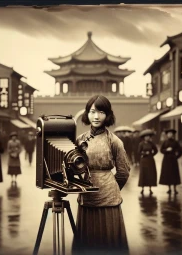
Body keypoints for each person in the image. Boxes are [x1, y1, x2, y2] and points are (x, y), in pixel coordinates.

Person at [72, 95, 130, 255]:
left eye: (101, 112)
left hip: (108, 199)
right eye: (92, 111)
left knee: (108, 240)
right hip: (86, 196)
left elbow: (124, 171)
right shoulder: (80, 140)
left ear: (108, 115)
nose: (96, 116)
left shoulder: (114, 141)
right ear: (87, 114)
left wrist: (110, 189)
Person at [159, 128, 182, 194]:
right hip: (166, 160)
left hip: (173, 160)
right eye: (168, 133)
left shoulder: (175, 142)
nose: (170, 135)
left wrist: (176, 157)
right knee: (168, 174)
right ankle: (169, 188)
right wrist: (166, 150)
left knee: (174, 174)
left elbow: (180, 151)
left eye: (171, 133)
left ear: (173, 135)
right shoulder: (165, 142)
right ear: (167, 135)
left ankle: (175, 189)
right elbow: (161, 150)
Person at [138, 129, 158, 195]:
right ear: (144, 137)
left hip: (150, 161)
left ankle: (150, 188)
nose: (147, 138)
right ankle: (142, 188)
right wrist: (144, 153)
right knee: (144, 174)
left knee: (150, 174)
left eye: (148, 136)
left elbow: (156, 150)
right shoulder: (141, 144)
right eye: (146, 136)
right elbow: (139, 152)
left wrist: (151, 154)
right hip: (143, 161)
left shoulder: (151, 144)